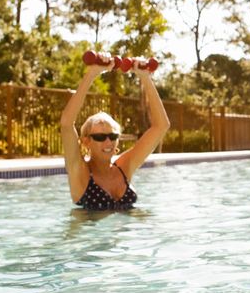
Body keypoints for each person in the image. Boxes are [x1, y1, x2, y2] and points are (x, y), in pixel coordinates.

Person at [60, 54, 170, 210]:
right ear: (86, 141)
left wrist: (145, 77)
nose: (108, 142)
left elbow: (161, 126)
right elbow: (66, 124)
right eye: (99, 137)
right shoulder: (80, 172)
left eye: (113, 136)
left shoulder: (123, 167)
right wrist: (92, 73)